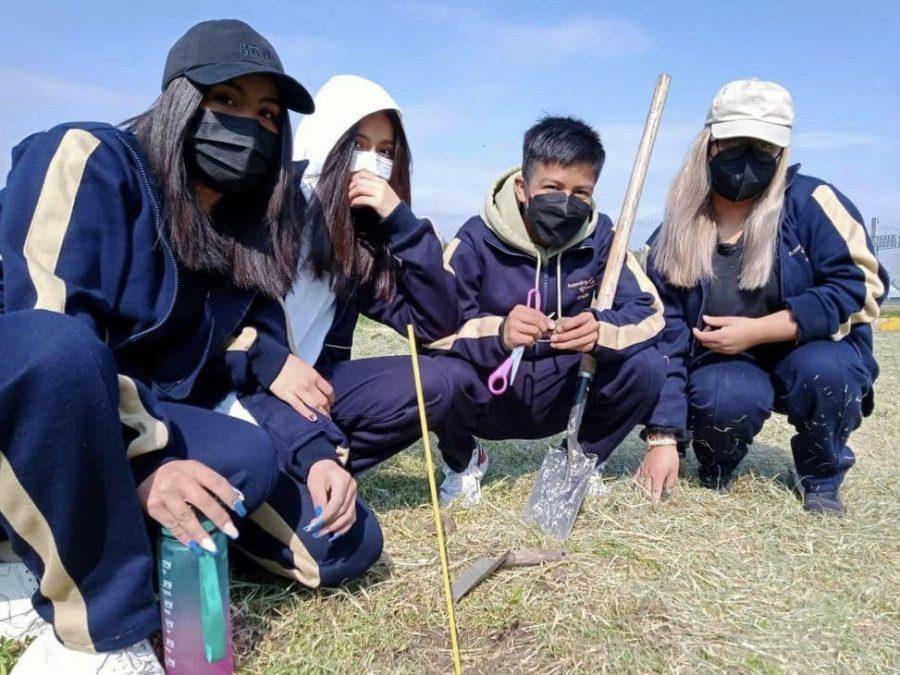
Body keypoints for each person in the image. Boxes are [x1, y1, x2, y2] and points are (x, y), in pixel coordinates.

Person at [0, 20, 378, 674]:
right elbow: (35, 332)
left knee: (319, 516)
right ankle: (88, 619)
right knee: (60, 352)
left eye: (266, 113)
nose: (247, 125)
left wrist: (318, 455)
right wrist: (144, 461)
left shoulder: (243, 240)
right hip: (43, 410)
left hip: (130, 420)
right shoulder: (90, 160)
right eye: (224, 100)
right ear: (178, 100)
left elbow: (262, 369)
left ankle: (101, 542)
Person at [635, 79, 890, 515]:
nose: (747, 159)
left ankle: (821, 474)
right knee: (723, 395)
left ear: (782, 152)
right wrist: (663, 437)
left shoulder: (813, 203)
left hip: (810, 350)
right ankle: (715, 466)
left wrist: (760, 330)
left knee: (826, 372)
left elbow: (862, 287)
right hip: (726, 361)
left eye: (764, 148)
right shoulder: (675, 231)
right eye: (735, 143)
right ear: (709, 144)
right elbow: (667, 341)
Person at [225, 74, 460, 484]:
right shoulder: (265, 206)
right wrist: (266, 362)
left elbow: (434, 322)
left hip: (314, 387)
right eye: (358, 144)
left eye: (384, 151)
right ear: (327, 139)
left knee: (437, 382)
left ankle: (315, 468)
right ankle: (289, 465)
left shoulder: (357, 240)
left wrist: (405, 225)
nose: (371, 161)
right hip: (241, 379)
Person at [429, 116, 667, 506]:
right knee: (435, 373)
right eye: (553, 188)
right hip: (492, 388)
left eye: (581, 192)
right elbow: (434, 327)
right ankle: (463, 461)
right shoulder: (475, 237)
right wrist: (500, 332)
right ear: (524, 188)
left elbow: (650, 312)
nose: (567, 202)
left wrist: (600, 330)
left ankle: (581, 458)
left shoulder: (603, 236)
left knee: (647, 366)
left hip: (568, 386)